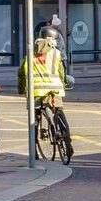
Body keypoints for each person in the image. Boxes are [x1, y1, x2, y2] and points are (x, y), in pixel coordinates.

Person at [19, 26, 74, 157]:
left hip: (36, 90)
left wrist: (22, 90)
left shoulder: (30, 53)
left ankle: (34, 151)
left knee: (34, 120)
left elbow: (22, 73)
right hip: (54, 89)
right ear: (52, 40)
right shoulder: (56, 53)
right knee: (59, 111)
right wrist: (63, 84)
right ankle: (67, 141)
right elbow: (61, 72)